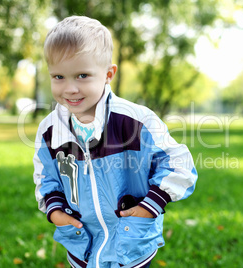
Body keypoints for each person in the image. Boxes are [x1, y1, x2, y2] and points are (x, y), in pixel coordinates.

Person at [33, 15, 197, 268]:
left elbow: (179, 164)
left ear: (108, 74)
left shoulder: (135, 121)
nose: (70, 89)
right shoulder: (49, 131)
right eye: (59, 77)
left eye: (82, 75)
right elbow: (46, 177)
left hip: (131, 242)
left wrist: (149, 206)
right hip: (82, 245)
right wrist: (56, 212)